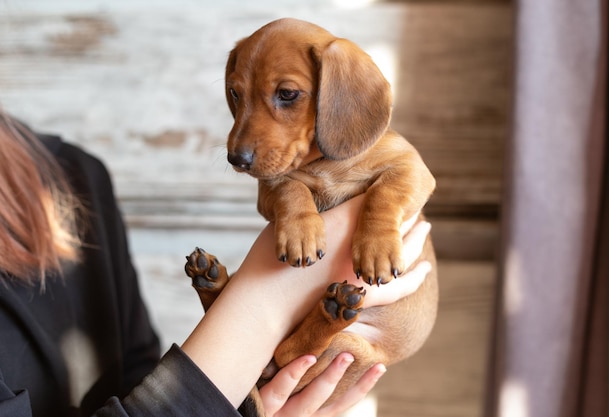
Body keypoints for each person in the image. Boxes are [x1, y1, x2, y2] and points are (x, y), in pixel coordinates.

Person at [0, 111, 433, 417]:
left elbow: (138, 376)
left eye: (285, 95)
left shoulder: (74, 175)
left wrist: (235, 399)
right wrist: (261, 303)